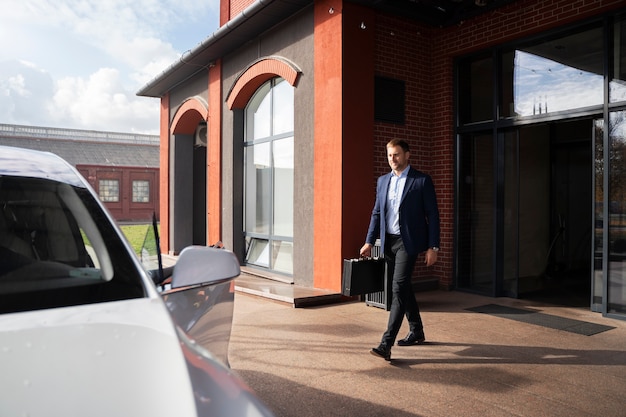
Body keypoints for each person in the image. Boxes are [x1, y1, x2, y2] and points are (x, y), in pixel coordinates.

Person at [360, 138, 440, 361]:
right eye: (389, 155)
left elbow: (432, 215)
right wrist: (369, 241)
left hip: (409, 242)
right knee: (403, 287)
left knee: (397, 289)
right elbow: (377, 213)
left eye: (396, 154)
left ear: (407, 155)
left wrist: (433, 246)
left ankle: (386, 345)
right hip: (388, 243)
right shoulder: (383, 181)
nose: (392, 159)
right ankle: (417, 331)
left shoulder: (421, 181)